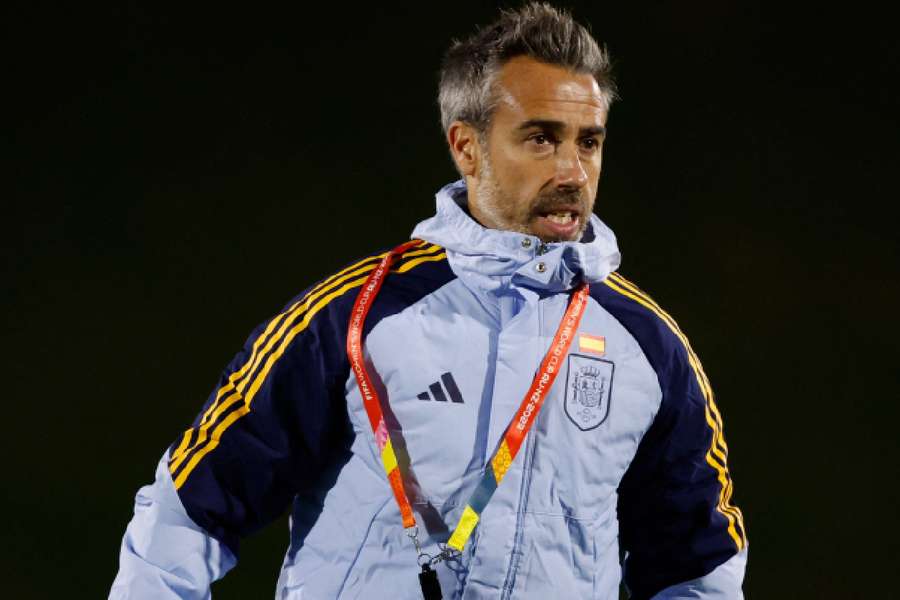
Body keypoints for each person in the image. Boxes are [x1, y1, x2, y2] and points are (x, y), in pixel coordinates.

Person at [110, 3, 747, 599]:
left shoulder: (652, 349)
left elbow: (699, 570)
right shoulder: (356, 316)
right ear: (466, 147)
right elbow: (188, 513)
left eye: (588, 141)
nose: (573, 172)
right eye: (541, 138)